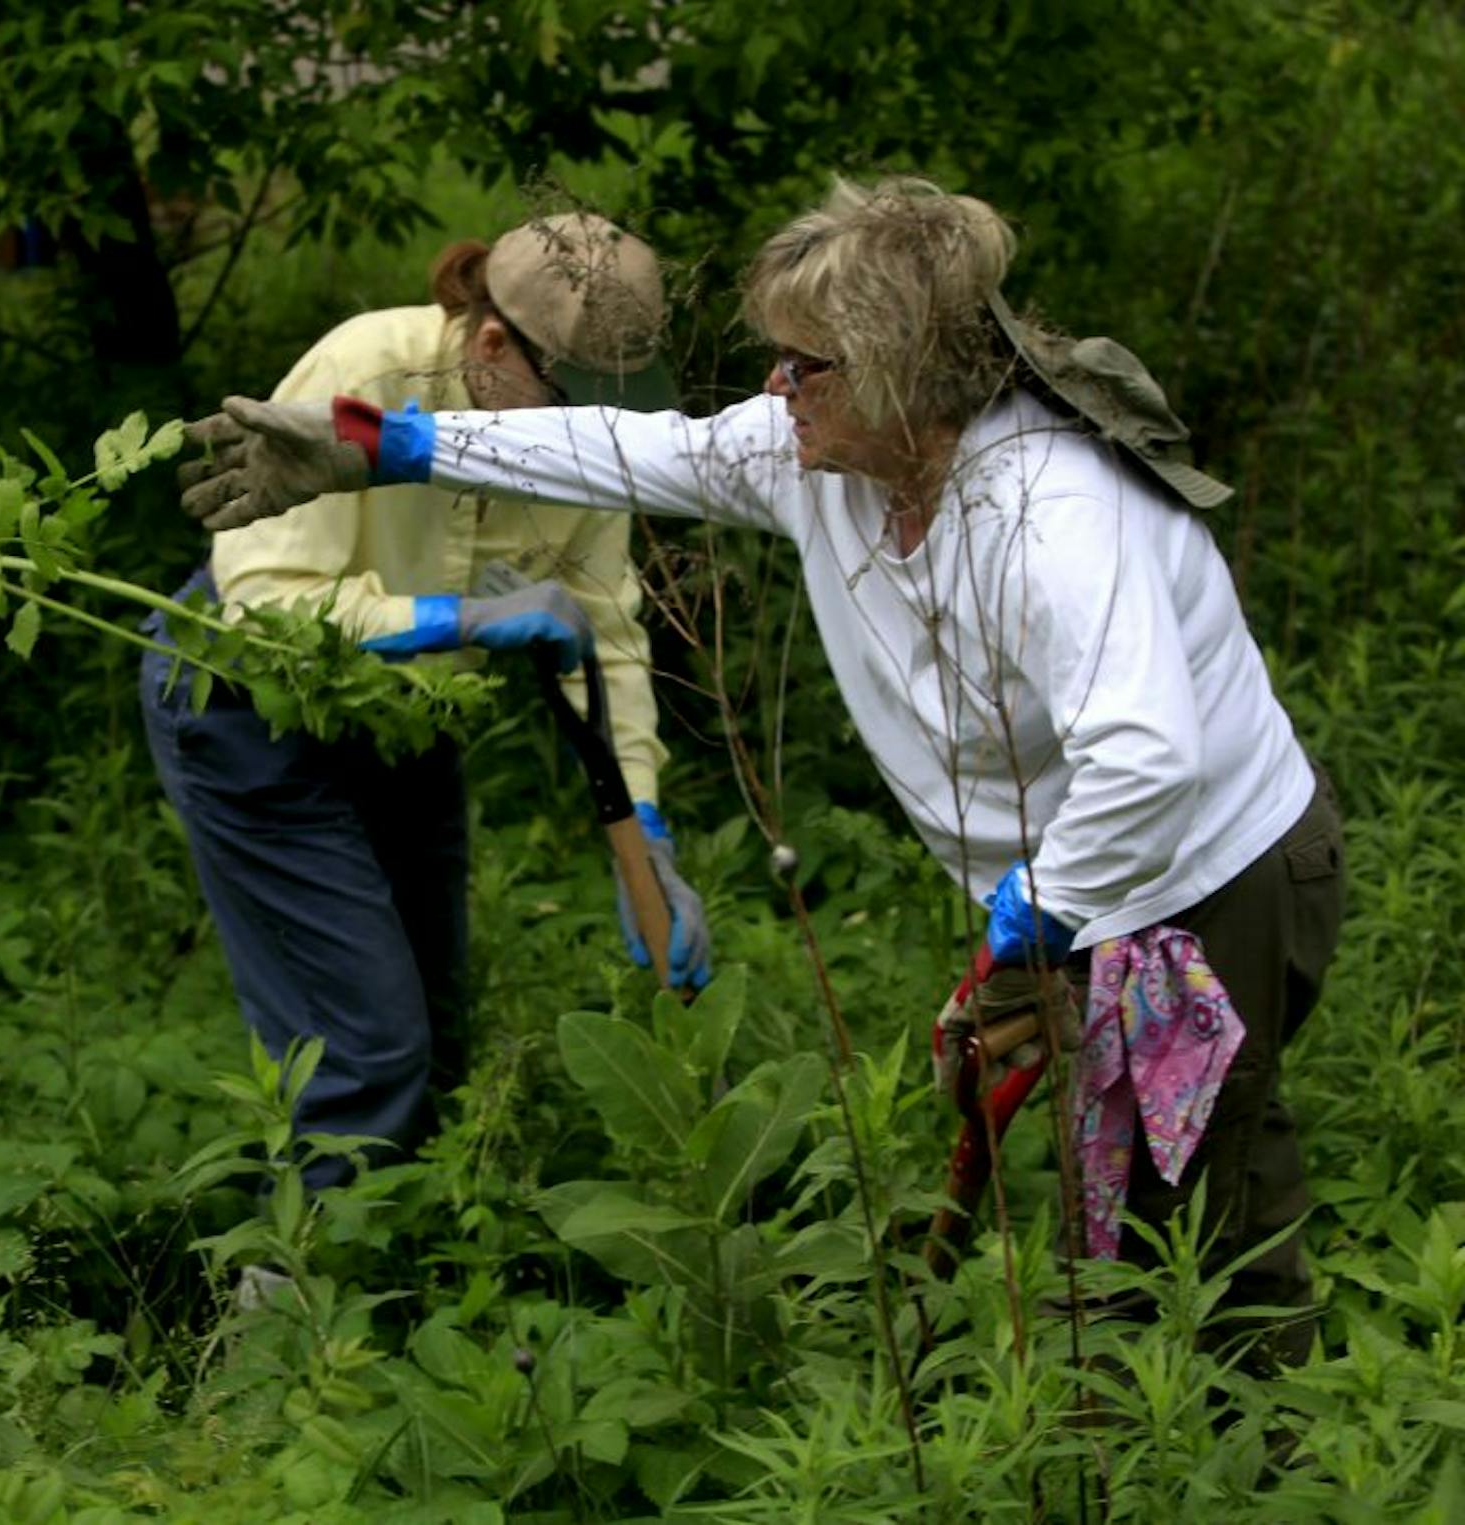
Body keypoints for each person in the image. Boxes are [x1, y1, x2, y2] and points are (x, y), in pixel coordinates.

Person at [178, 177, 1343, 1367]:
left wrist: (1025, 934)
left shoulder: (1053, 510)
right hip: (1084, 896)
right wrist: (375, 444)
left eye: (806, 363)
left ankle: (1255, 1456)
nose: (775, 387)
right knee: (1151, 1195)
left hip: (1208, 881)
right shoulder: (814, 455)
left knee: (1193, 1218)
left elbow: (1147, 762)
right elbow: (628, 448)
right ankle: (1157, 1425)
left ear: (896, 369)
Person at [140, 212, 714, 1192]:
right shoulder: (367, 377)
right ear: (493, 344)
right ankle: (288, 1310)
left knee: (437, 1034)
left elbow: (608, 633)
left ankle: (419, 1287)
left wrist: (645, 833)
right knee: (363, 1043)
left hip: (407, 716)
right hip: (249, 705)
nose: (591, 431)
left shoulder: (580, 439)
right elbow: (265, 598)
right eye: (571, 399)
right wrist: (459, 618)